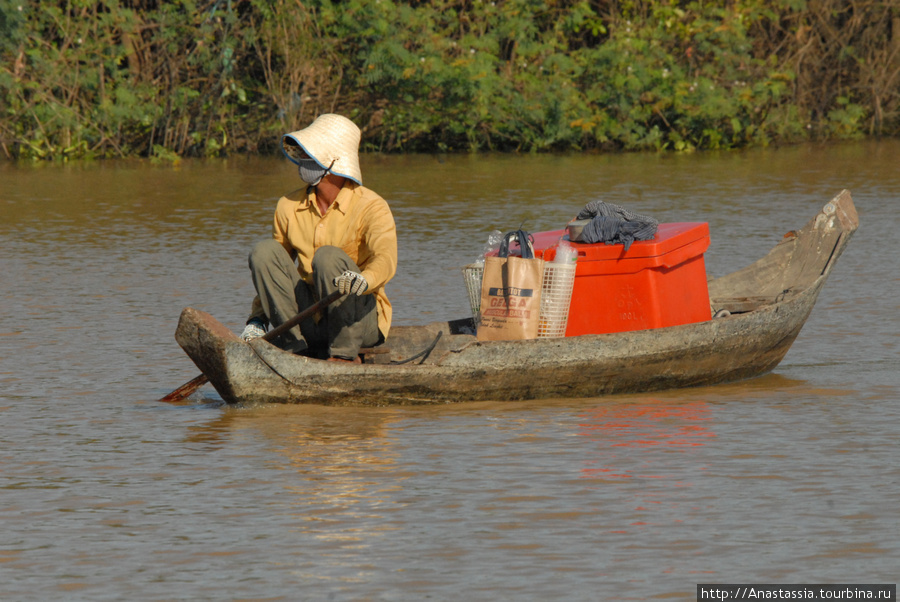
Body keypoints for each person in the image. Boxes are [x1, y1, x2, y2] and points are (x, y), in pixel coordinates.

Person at [241, 114, 397, 363]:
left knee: (327, 256)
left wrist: (362, 280)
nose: (302, 160)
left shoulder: (372, 206)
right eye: (301, 154)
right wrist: (257, 319)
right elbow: (273, 272)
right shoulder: (287, 205)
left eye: (309, 155)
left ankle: (343, 356)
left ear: (334, 162)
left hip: (359, 321)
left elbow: (386, 259)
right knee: (264, 251)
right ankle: (295, 351)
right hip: (309, 319)